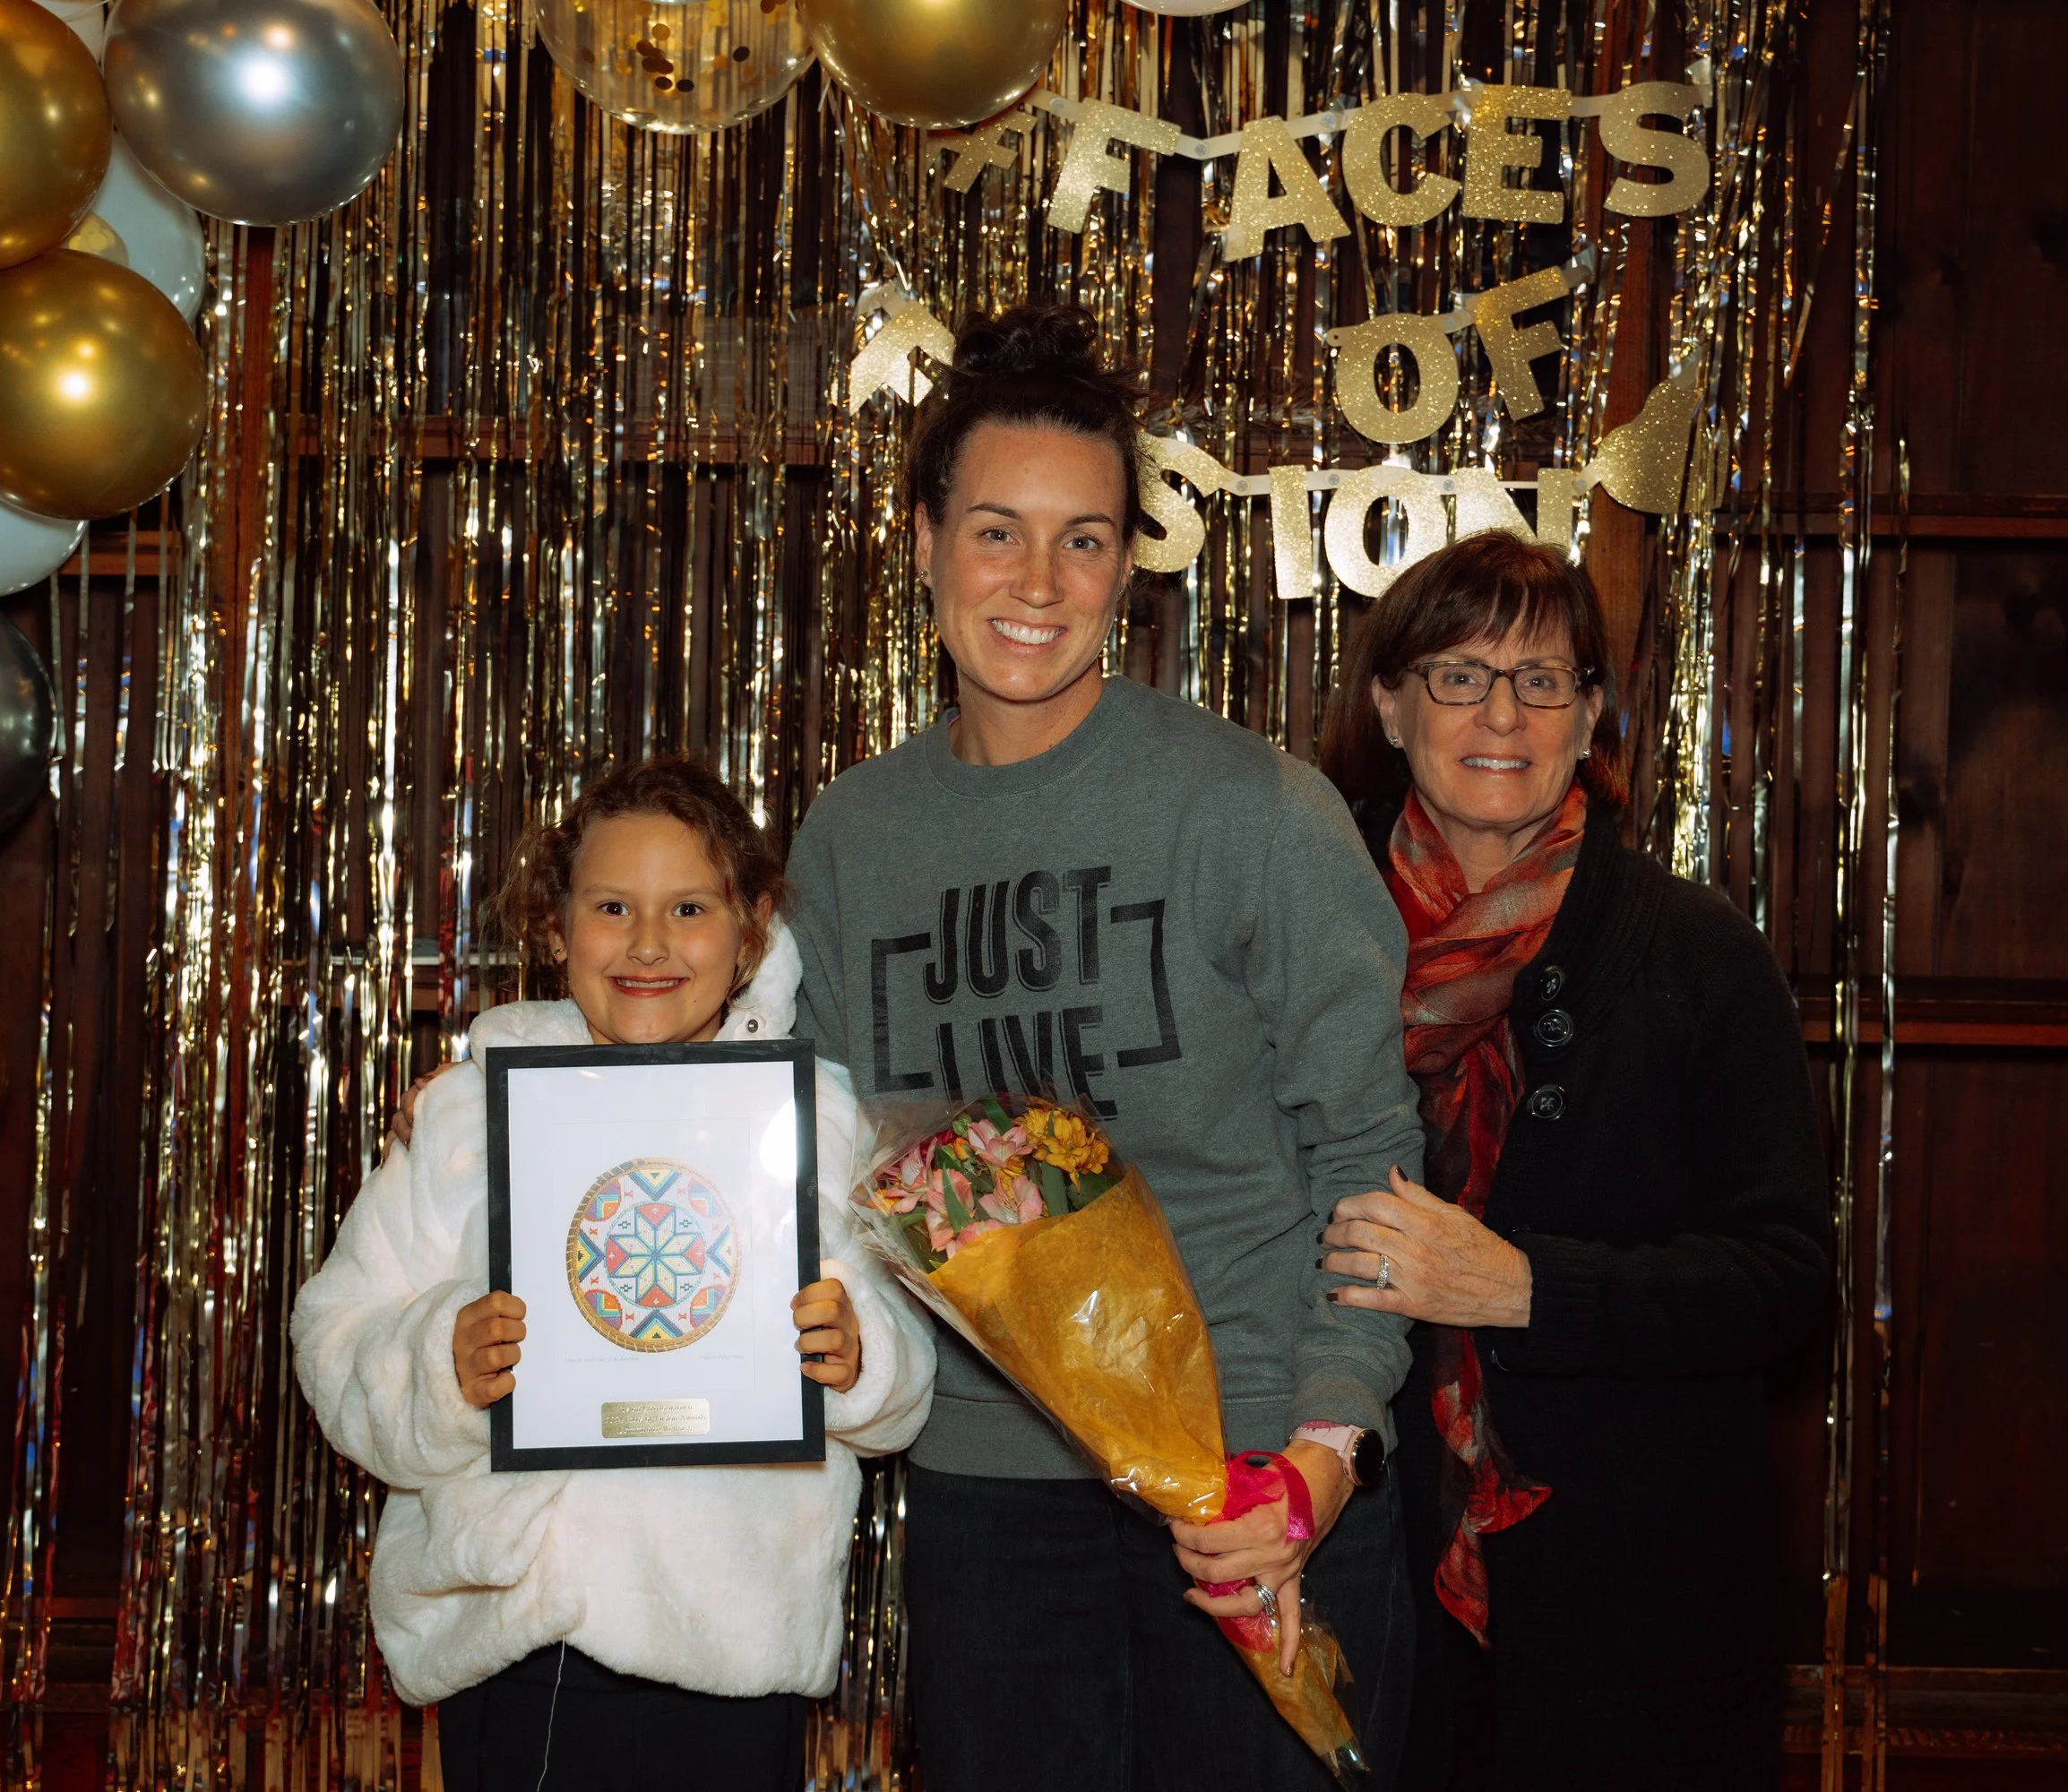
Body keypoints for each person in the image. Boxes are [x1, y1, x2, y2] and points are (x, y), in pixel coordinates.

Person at [783, 303, 1425, 1792]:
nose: (1037, 582)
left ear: (1127, 567)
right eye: (997, 531)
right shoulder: (852, 836)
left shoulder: (1249, 809)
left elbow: (1369, 1163)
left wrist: (1318, 1458)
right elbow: (797, 1125)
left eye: (1084, 540)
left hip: (1251, 1486)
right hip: (988, 1501)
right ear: (925, 541)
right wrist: (521, 1081)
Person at [292, 758, 935, 1792]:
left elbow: (902, 1384)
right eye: (610, 906)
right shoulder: (466, 1115)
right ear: (555, 929)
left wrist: (861, 1357)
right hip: (517, 1639)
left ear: (751, 929)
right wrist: (438, 1360)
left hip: (733, 1642)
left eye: (688, 906)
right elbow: (334, 1332)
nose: (647, 943)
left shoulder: (814, 1124)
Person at [1314, 532, 1831, 1790]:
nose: (1503, 714)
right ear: (1388, 703)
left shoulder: (1695, 951)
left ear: (1590, 713)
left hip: (1634, 1604)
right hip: (1349, 1567)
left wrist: (1526, 1291)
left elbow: (1786, 1282)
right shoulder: (1300, 931)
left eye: (1544, 680)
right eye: (1458, 675)